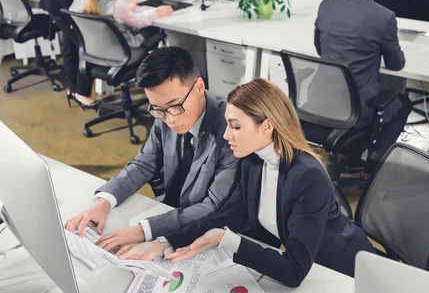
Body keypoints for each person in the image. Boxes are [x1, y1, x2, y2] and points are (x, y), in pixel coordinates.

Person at [117, 78, 376, 287]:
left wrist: (228, 241)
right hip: (306, 266)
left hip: (340, 272)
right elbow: (229, 214)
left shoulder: (307, 176)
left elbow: (294, 271)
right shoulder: (252, 160)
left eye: (236, 127)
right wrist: (164, 243)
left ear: (267, 126)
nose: (227, 134)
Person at [64, 47, 239, 251]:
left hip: (208, 232)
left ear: (199, 86)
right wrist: (102, 204)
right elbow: (143, 164)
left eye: (175, 106)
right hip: (168, 210)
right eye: (158, 109)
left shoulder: (231, 128)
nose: (170, 119)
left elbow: (212, 206)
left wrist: (143, 231)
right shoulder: (164, 112)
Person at [313, 0, 410, 177]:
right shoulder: (384, 17)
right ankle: (373, 165)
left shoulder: (326, 6)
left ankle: (348, 158)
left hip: (318, 103)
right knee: (401, 104)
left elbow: (320, 49)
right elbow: (396, 65)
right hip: (356, 113)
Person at [36, 0, 97, 109]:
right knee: (87, 46)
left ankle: (73, 89)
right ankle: (81, 92)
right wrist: (71, 13)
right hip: (61, 5)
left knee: (71, 45)